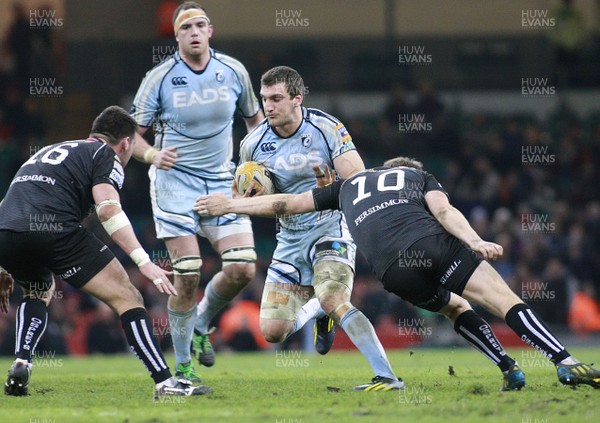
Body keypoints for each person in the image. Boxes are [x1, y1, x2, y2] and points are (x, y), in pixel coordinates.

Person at [195, 156, 600, 390]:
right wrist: (474, 241)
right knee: (504, 299)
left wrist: (229, 205)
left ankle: (509, 369)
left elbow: (285, 204)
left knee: (455, 308)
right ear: (405, 169)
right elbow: (443, 211)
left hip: (394, 272)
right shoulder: (417, 176)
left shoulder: (346, 187)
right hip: (430, 245)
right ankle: (563, 360)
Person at [0, 106, 211, 399]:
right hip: (53, 230)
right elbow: (108, 209)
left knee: (38, 291)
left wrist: (3, 266)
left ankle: (22, 361)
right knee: (128, 297)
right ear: (125, 143)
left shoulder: (51, 150)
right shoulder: (105, 155)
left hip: (6, 232)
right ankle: (165, 382)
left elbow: (13, 204)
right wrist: (144, 260)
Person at [231, 65, 403, 391]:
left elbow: (358, 180)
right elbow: (243, 197)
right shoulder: (253, 144)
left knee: (335, 297)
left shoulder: (326, 127)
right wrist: (247, 195)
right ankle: (319, 312)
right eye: (265, 98)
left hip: (331, 226)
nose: (268, 106)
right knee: (272, 331)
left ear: (297, 98)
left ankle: (388, 377)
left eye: (277, 98)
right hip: (289, 237)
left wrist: (331, 187)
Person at [130, 2, 264, 382]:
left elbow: (255, 122)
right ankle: (184, 365)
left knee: (241, 268)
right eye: (186, 26)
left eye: (200, 24)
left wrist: (254, 166)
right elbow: (131, 137)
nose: (193, 30)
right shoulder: (159, 78)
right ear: (176, 36)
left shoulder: (233, 71)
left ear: (210, 31)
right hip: (175, 185)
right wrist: (154, 154)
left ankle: (203, 323)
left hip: (222, 181)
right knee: (187, 272)